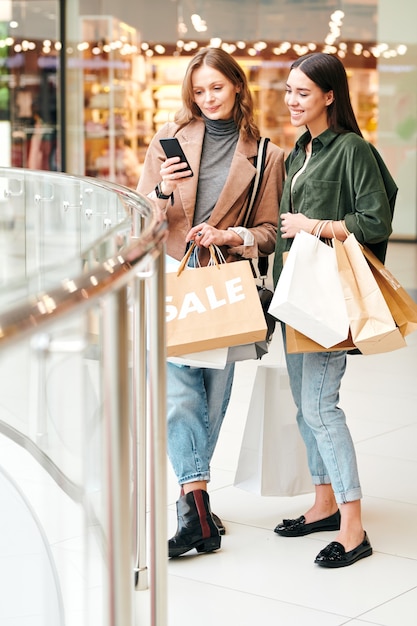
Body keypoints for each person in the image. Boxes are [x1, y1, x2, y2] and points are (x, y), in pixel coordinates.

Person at [137, 47, 285, 557]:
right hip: (176, 282)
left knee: (213, 400)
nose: (207, 99)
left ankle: (195, 508)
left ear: (237, 87)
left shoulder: (266, 154)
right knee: (181, 395)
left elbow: (269, 233)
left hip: (225, 281)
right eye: (198, 91)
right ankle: (195, 504)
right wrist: (161, 189)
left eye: (216, 88)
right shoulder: (169, 140)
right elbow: (140, 218)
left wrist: (229, 235)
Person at [272, 52, 396, 568]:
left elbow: (375, 219)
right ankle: (323, 502)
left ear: (329, 96)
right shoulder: (298, 151)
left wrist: (313, 225)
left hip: (326, 297)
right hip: (295, 295)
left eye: (303, 92)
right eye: (288, 90)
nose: (292, 100)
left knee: (322, 407)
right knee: (306, 408)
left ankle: (352, 526)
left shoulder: (350, 149)